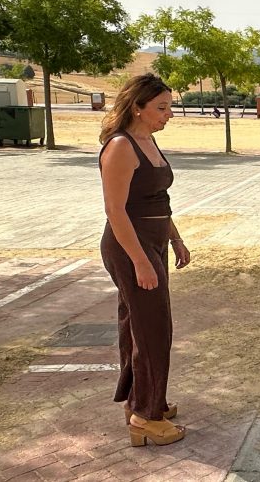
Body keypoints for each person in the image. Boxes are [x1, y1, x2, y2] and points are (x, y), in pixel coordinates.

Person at [98, 74, 190, 447]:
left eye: (170, 107)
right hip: (129, 246)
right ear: (137, 107)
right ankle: (145, 417)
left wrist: (175, 239)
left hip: (153, 241)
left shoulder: (148, 141)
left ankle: (143, 400)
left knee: (139, 325)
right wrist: (140, 261)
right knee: (153, 328)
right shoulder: (121, 146)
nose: (169, 114)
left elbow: (159, 200)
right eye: (161, 108)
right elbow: (115, 211)